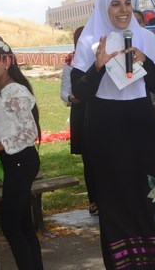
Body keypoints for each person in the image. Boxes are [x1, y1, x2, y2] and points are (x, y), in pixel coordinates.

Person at [71, 0, 155, 269]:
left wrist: (145, 60)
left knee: (153, 194)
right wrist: (98, 66)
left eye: (127, 3)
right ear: (104, 8)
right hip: (106, 129)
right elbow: (79, 94)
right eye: (115, 4)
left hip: (142, 126)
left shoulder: (144, 38)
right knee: (116, 200)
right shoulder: (90, 41)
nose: (123, 9)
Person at [0, 39, 44, 270]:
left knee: (12, 225)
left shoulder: (15, 91)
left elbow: (29, 132)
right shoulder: (0, 91)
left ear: (7, 62)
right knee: (22, 224)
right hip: (15, 162)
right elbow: (9, 123)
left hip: (21, 161)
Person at [60, 26, 97, 214]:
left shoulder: (102, 57)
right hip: (82, 112)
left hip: (100, 110)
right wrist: (74, 97)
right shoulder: (71, 63)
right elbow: (64, 93)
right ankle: (94, 200)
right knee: (89, 159)